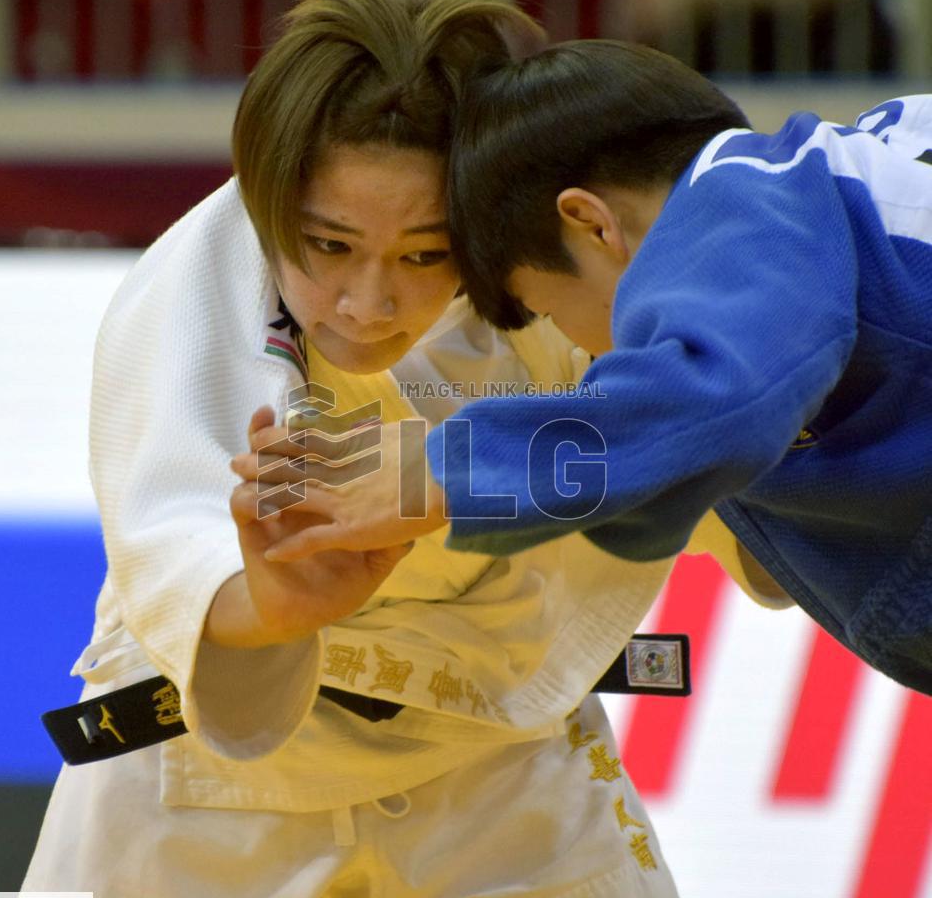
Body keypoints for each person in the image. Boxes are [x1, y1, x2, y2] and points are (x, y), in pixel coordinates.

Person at [14, 0, 706, 898]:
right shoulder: (193, 286)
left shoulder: (541, 270)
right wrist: (265, 605)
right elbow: (171, 540)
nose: (367, 302)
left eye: (425, 254)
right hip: (199, 743)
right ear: (266, 199)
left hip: (489, 729)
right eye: (328, 245)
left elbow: (682, 441)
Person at [259, 40, 932, 697]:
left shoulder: (742, 204)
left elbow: (714, 400)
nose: (581, 349)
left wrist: (436, 473)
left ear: (591, 223)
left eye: (544, 307)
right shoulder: (847, 181)